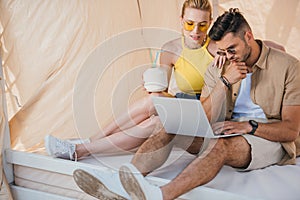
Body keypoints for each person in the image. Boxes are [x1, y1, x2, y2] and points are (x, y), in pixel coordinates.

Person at [72, 8, 300, 200]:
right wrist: (223, 82)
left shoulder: (288, 67)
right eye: (222, 51)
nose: (228, 57)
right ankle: (122, 182)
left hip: (265, 136)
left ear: (248, 36)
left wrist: (249, 126)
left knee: (219, 148)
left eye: (233, 49)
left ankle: (160, 195)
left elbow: (291, 129)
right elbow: (205, 117)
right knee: (169, 124)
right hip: (226, 127)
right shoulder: (219, 67)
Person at [45, 0, 285, 161]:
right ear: (181, 20)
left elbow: (275, 48)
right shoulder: (171, 49)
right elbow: (157, 91)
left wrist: (233, 51)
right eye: (190, 23)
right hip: (184, 104)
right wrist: (150, 82)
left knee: (157, 122)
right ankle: (93, 140)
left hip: (210, 109)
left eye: (203, 25)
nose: (196, 31)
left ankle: (80, 150)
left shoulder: (219, 46)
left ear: (210, 23)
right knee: (153, 103)